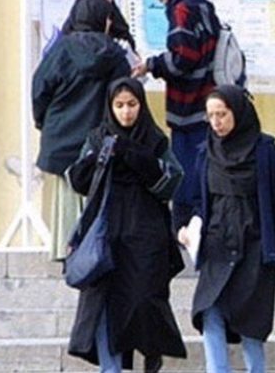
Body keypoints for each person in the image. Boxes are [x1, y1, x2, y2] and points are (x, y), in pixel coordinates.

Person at [177, 85, 275, 373]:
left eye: (222, 114)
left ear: (238, 112)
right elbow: (198, 200)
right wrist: (187, 228)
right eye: (211, 116)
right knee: (208, 310)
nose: (216, 122)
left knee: (251, 323)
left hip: (254, 246)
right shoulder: (205, 152)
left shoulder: (264, 150)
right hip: (216, 243)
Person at [67, 78, 187, 372]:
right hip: (105, 234)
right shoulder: (97, 138)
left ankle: (152, 351)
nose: (126, 112)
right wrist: (99, 158)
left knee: (144, 301)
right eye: (119, 105)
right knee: (104, 306)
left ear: (141, 105)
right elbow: (78, 180)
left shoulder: (155, 140)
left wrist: (136, 156)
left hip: (145, 234)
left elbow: (172, 181)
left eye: (132, 105)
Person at [33, 0, 131, 261]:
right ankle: (95, 255)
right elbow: (122, 97)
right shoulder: (116, 56)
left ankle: (69, 254)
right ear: (104, 21)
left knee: (66, 205)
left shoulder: (61, 50)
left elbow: (40, 89)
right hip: (100, 143)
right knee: (98, 199)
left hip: (61, 139)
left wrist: (44, 122)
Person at [132, 0, 222, 232]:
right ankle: (202, 222)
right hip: (208, 100)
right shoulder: (203, 6)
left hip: (188, 105)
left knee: (185, 172)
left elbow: (184, 58)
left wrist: (153, 64)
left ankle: (185, 227)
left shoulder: (181, 11)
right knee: (204, 167)